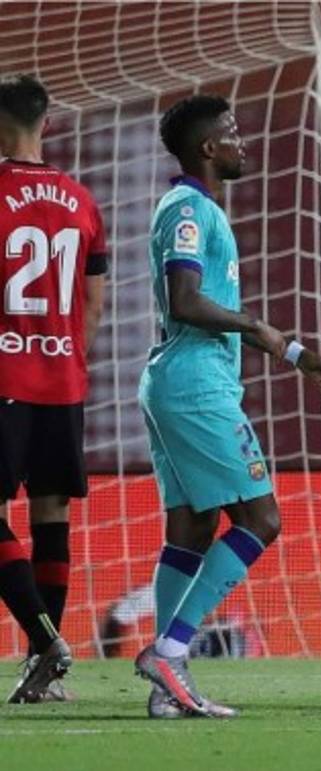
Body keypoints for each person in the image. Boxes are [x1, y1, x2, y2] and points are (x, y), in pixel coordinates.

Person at [133, 94, 321, 719]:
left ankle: (168, 681)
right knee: (261, 520)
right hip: (196, 385)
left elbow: (207, 303)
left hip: (177, 379)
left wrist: (294, 349)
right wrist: (261, 327)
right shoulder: (190, 210)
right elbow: (188, 299)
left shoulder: (193, 209)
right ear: (206, 148)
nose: (239, 141)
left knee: (193, 528)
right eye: (229, 133)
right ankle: (170, 649)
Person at [0, 73, 106, 703]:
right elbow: (93, 301)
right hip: (62, 377)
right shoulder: (79, 199)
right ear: (45, 124)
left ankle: (44, 644)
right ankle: (47, 673)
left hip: (5, 376)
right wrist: (62, 353)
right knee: (51, 515)